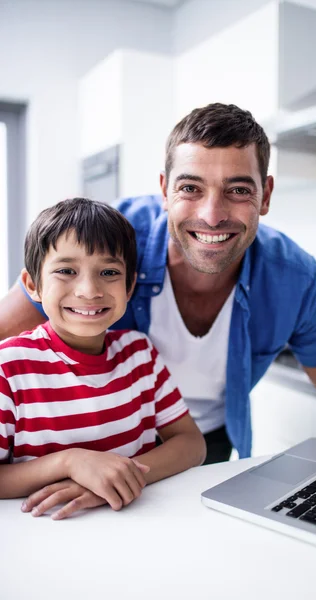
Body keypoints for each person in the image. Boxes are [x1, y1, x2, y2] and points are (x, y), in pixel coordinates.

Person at [0, 103, 316, 469]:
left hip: (199, 447)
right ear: (164, 190)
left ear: (266, 195)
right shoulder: (107, 244)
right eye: (191, 188)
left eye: (239, 190)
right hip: (88, 449)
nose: (212, 215)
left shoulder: (294, 277)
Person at [0, 197, 206, 520]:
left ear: (129, 286)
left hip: (137, 531)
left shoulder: (140, 355)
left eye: (109, 272)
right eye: (66, 270)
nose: (89, 290)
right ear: (32, 285)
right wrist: (70, 463)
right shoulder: (9, 368)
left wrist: (121, 478)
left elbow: (193, 444)